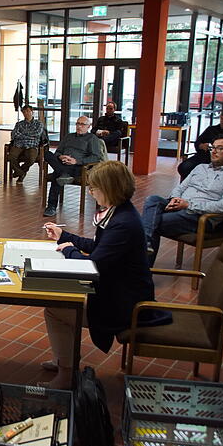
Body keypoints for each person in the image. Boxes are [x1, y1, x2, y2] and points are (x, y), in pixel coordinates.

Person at [42, 161, 168, 389]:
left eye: (94, 188)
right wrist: (64, 236)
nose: (90, 192)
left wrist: (69, 249)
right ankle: (65, 360)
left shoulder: (123, 223)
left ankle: (66, 372)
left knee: (57, 309)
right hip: (120, 291)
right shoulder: (120, 212)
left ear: (110, 188)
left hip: (124, 303)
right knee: (59, 305)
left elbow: (93, 266)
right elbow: (100, 247)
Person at [142, 135, 223, 266]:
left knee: (150, 223)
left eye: (220, 149)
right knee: (153, 200)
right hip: (180, 206)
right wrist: (175, 199)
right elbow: (180, 188)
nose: (213, 151)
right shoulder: (200, 168)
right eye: (212, 147)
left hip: (200, 217)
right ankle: (145, 245)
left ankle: (143, 269)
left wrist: (188, 205)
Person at [43, 116, 103, 217]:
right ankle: (63, 173)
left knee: (56, 176)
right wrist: (61, 157)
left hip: (78, 167)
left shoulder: (92, 138)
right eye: (77, 124)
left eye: (82, 124)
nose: (79, 126)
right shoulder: (69, 137)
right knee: (47, 153)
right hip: (62, 163)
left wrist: (76, 161)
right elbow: (58, 152)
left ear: (88, 126)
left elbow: (96, 157)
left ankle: (51, 207)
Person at [177, 108, 223, 181]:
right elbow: (198, 142)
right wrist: (201, 146)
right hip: (204, 156)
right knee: (183, 167)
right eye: (222, 119)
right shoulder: (211, 129)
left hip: (222, 160)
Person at [8, 105, 49, 184]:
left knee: (31, 158)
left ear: (32, 112)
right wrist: (29, 136)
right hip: (19, 144)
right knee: (11, 157)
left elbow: (37, 134)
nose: (26, 113)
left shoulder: (38, 124)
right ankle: (21, 173)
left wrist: (22, 134)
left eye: (28, 111)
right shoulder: (19, 124)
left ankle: (19, 172)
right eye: (24, 112)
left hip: (32, 145)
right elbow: (14, 135)